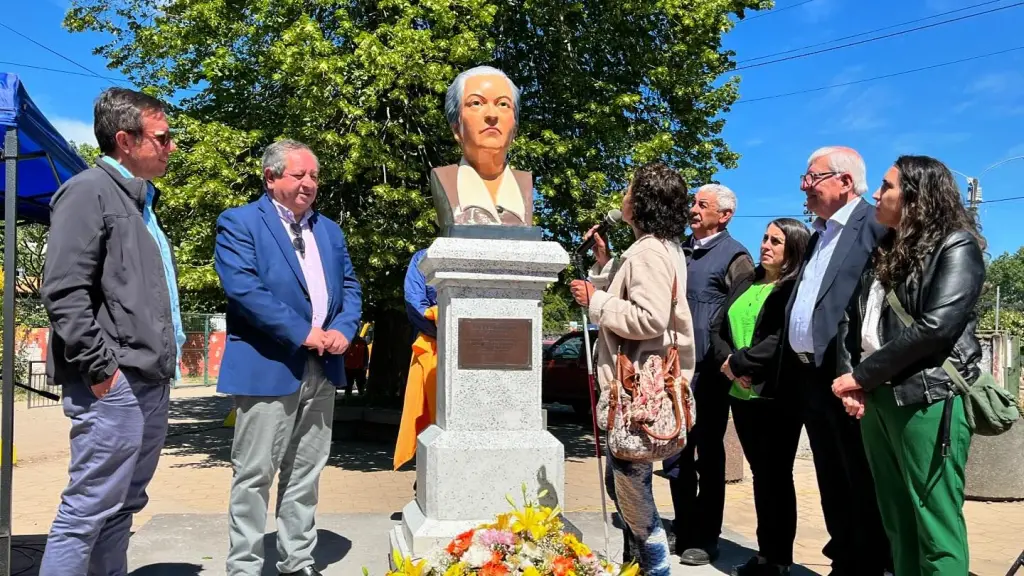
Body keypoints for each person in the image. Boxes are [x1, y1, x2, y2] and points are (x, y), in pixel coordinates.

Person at [38, 87, 181, 576]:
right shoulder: (88, 192)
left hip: (148, 380)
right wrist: (103, 374)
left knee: (121, 507)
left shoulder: (139, 201)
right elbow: (62, 290)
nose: (171, 146)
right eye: (162, 137)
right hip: (113, 385)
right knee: (87, 509)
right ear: (125, 139)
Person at [214, 139, 363, 576]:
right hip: (268, 367)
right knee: (254, 474)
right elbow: (244, 290)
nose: (309, 183)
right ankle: (244, 567)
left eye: (314, 176)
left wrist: (342, 330)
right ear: (271, 177)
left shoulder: (329, 231)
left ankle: (297, 562)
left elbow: (350, 288)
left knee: (306, 474)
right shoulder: (239, 222)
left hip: (323, 369)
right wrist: (303, 333)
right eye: (299, 174)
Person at [832, 155, 985, 575]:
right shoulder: (883, 248)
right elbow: (851, 318)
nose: (877, 194)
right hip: (878, 398)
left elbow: (937, 327)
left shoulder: (956, 244)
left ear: (917, 197)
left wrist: (859, 376)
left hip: (928, 397)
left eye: (887, 186)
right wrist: (857, 382)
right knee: (897, 520)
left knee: (935, 524)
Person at [569, 162, 695, 576]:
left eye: (628, 190)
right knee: (622, 478)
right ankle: (642, 561)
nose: (621, 197)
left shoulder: (647, 252)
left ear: (641, 201)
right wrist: (603, 268)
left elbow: (649, 318)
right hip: (643, 386)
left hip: (639, 390)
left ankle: (655, 563)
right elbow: (633, 293)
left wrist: (594, 300)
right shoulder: (658, 248)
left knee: (629, 482)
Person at [781, 146, 891, 575]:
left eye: (813, 178)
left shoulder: (874, 225)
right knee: (829, 477)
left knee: (860, 479)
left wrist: (858, 372)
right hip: (810, 376)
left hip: (849, 374)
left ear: (845, 182)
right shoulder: (819, 234)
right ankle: (845, 557)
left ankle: (867, 564)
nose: (804, 186)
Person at [711, 219, 810, 576]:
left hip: (776, 396)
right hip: (740, 392)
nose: (765, 245)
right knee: (760, 476)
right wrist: (729, 363)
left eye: (776, 241)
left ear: (794, 249)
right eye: (765, 238)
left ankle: (778, 559)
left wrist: (741, 364)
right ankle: (765, 554)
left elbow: (782, 338)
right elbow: (717, 326)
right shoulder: (746, 281)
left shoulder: (794, 289)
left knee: (776, 477)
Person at [663, 183, 753, 565]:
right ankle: (683, 529)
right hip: (673, 369)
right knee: (673, 453)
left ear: (725, 215)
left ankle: (705, 536)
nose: (693, 210)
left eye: (703, 205)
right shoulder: (677, 251)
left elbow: (744, 316)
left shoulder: (737, 258)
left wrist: (734, 362)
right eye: (693, 203)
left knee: (708, 454)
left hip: (710, 374)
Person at [430, 65, 534, 228]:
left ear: (514, 130)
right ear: (457, 129)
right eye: (477, 103)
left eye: (503, 104)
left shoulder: (524, 185)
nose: (492, 115)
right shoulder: (446, 180)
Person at [394, 248, 439, 471]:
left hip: (481, 350)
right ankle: (426, 471)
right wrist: (446, 327)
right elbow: (415, 304)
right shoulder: (423, 258)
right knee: (429, 415)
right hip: (432, 347)